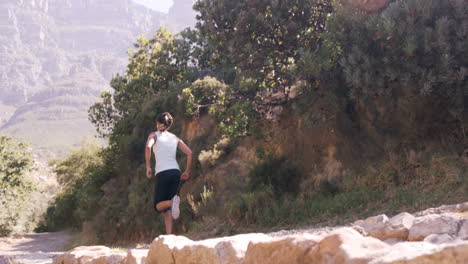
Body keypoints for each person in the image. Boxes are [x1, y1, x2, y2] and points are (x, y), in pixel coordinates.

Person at [145, 112, 192, 234]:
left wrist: (148, 167)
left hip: (163, 173)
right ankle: (169, 236)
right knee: (167, 209)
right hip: (176, 173)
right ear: (168, 125)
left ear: (158, 123)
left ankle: (173, 201)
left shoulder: (153, 135)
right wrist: (187, 171)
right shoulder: (175, 138)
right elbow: (190, 153)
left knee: (158, 206)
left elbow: (148, 147)